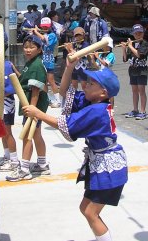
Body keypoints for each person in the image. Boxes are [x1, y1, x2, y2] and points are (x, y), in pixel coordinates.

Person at [22, 59, 127, 241]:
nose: (85, 84)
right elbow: (63, 93)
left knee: (90, 212)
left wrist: (38, 114)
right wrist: (69, 66)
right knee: (85, 209)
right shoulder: (95, 104)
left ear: (103, 92)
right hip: (102, 164)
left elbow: (65, 126)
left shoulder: (97, 111)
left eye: (91, 83)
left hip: (109, 169)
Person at [7, 35, 50, 181]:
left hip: (34, 104)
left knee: (28, 135)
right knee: (36, 134)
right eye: (26, 47)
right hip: (33, 105)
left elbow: (35, 89)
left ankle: (24, 169)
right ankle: (43, 165)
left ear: (39, 49)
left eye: (32, 47)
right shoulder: (31, 63)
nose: (28, 50)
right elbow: (25, 81)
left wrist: (32, 110)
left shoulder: (36, 65)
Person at [0, 58, 21, 172]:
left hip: (7, 103)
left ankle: (14, 161)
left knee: (7, 132)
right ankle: (7, 156)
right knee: (2, 132)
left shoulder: (6, 65)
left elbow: (11, 88)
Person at [122, 24, 148, 120]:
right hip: (132, 70)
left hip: (141, 70)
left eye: (140, 33)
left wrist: (130, 46)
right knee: (134, 90)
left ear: (143, 33)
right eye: (136, 33)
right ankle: (135, 109)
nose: (138, 35)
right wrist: (124, 49)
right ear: (133, 34)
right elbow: (125, 59)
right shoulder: (133, 44)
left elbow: (139, 55)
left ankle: (143, 111)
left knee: (141, 90)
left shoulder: (145, 44)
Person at [34, 17, 61, 108]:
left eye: (46, 27)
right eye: (43, 27)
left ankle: (58, 100)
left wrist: (37, 32)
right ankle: (48, 99)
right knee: (43, 82)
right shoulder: (44, 34)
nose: (45, 28)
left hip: (49, 60)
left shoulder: (53, 35)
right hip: (42, 60)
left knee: (51, 81)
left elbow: (45, 39)